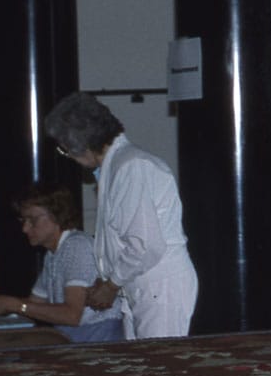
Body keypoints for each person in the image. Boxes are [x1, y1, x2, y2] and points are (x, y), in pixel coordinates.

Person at [45, 93, 198, 339]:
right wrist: (106, 278)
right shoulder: (117, 166)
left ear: (81, 147)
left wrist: (110, 284)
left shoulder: (130, 167)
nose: (68, 157)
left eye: (65, 150)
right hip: (139, 284)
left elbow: (144, 245)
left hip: (158, 285)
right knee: (140, 364)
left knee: (159, 367)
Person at [0, 183, 124, 343]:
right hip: (78, 338)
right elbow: (34, 305)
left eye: (32, 220)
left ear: (58, 215)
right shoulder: (54, 254)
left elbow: (72, 315)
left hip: (97, 339)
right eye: (23, 220)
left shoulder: (76, 246)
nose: (25, 228)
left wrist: (12, 304)